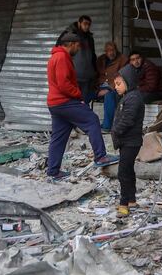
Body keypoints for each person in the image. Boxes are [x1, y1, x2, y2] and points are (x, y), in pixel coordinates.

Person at [46, 32, 118, 179]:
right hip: (64, 101)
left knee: (59, 137)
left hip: (55, 103)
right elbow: (63, 84)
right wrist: (78, 96)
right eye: (77, 46)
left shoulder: (56, 56)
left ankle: (53, 171)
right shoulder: (61, 57)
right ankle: (101, 157)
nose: (78, 49)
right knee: (92, 120)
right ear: (71, 44)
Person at [110, 64, 144, 216]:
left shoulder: (133, 98)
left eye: (119, 84)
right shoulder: (128, 96)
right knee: (128, 170)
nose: (116, 87)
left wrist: (116, 130)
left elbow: (127, 120)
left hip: (131, 142)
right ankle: (131, 199)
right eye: (115, 84)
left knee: (123, 172)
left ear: (128, 81)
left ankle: (124, 204)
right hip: (127, 142)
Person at [58, 16, 98, 105]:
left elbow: (92, 55)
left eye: (89, 24)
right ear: (79, 23)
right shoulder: (69, 34)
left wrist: (95, 72)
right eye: (85, 24)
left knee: (84, 103)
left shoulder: (89, 37)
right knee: (72, 103)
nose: (87, 26)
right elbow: (59, 51)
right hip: (74, 77)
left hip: (87, 77)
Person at [96, 42, 127, 131]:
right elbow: (96, 75)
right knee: (85, 95)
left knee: (109, 95)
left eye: (112, 50)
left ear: (116, 50)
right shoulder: (101, 60)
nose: (111, 53)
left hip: (115, 86)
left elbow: (121, 77)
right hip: (101, 86)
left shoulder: (123, 59)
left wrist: (109, 88)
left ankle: (107, 126)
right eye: (108, 51)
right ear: (105, 51)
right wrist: (96, 89)